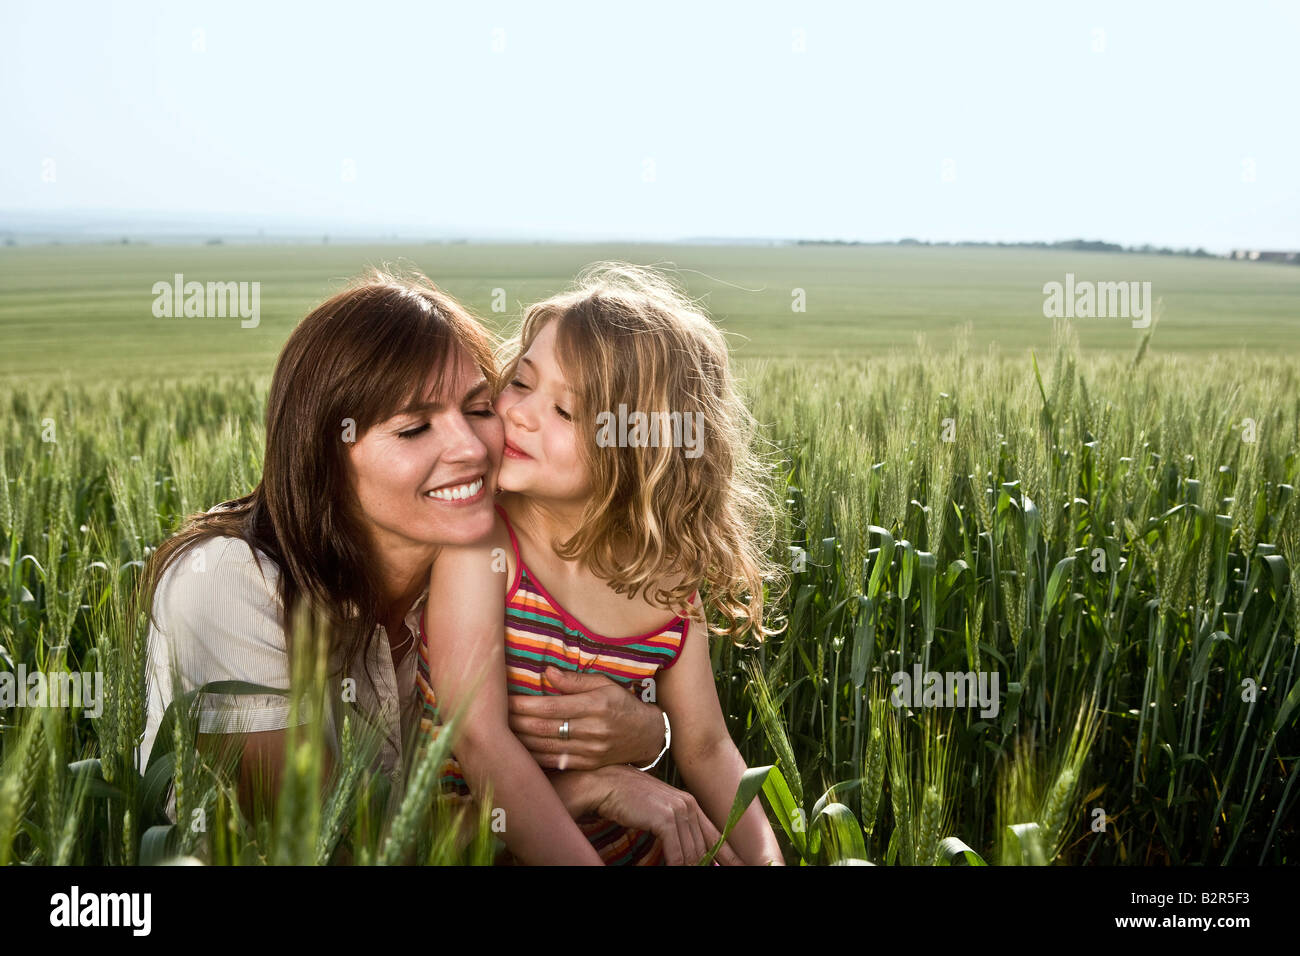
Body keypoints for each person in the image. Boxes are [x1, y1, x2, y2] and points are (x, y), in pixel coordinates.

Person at [137, 268, 701, 853]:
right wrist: (585, 790)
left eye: (480, 409)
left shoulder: (484, 563)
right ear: (322, 453)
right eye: (413, 428)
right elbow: (339, 842)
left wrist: (649, 732)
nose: (469, 448)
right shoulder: (230, 586)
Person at [420, 263, 788, 865]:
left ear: (641, 451)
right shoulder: (484, 546)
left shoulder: (667, 580)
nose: (518, 414)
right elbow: (482, 744)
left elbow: (707, 748)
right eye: (521, 381)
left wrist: (766, 863)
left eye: (565, 412)